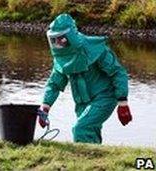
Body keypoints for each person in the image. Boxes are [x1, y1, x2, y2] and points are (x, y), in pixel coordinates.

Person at [39, 13, 132, 144]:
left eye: (61, 39)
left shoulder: (95, 49)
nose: (58, 42)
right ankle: (95, 162)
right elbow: (54, 83)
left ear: (69, 35)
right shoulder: (61, 58)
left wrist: (123, 102)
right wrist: (45, 107)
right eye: (55, 39)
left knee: (81, 128)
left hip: (104, 97)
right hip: (81, 101)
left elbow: (118, 73)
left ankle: (83, 160)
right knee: (90, 132)